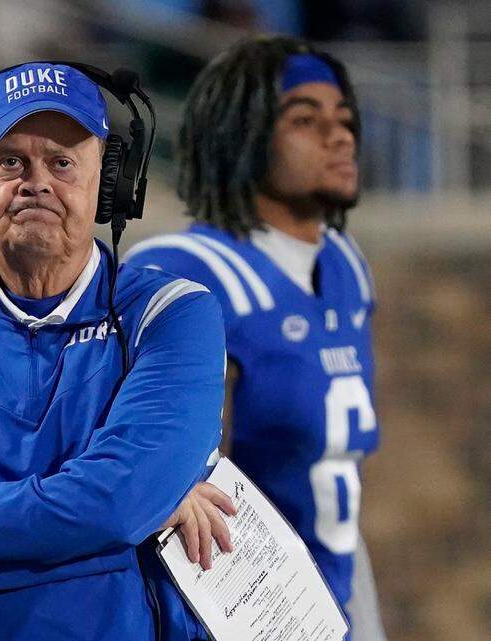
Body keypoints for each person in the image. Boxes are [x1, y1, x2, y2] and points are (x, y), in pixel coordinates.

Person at [0, 62, 236, 641]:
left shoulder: (173, 313)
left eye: (62, 162)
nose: (36, 182)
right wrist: (136, 514)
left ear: (107, 182)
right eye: (11, 162)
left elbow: (114, 505)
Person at [124, 36, 385, 641]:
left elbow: (331, 477)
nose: (339, 135)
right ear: (240, 135)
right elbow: (157, 485)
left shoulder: (344, 266)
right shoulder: (187, 272)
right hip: (223, 613)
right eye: (304, 119)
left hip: (333, 595)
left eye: (344, 119)